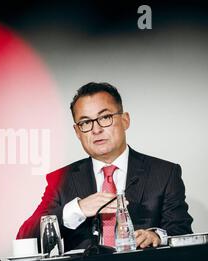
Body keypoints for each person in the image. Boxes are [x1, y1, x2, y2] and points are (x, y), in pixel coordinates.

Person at [17, 82, 193, 252]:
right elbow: (26, 238)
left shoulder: (164, 173)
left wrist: (157, 236)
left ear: (125, 120)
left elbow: (182, 232)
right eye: (85, 122)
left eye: (105, 117)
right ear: (77, 132)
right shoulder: (62, 180)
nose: (96, 129)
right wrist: (78, 209)